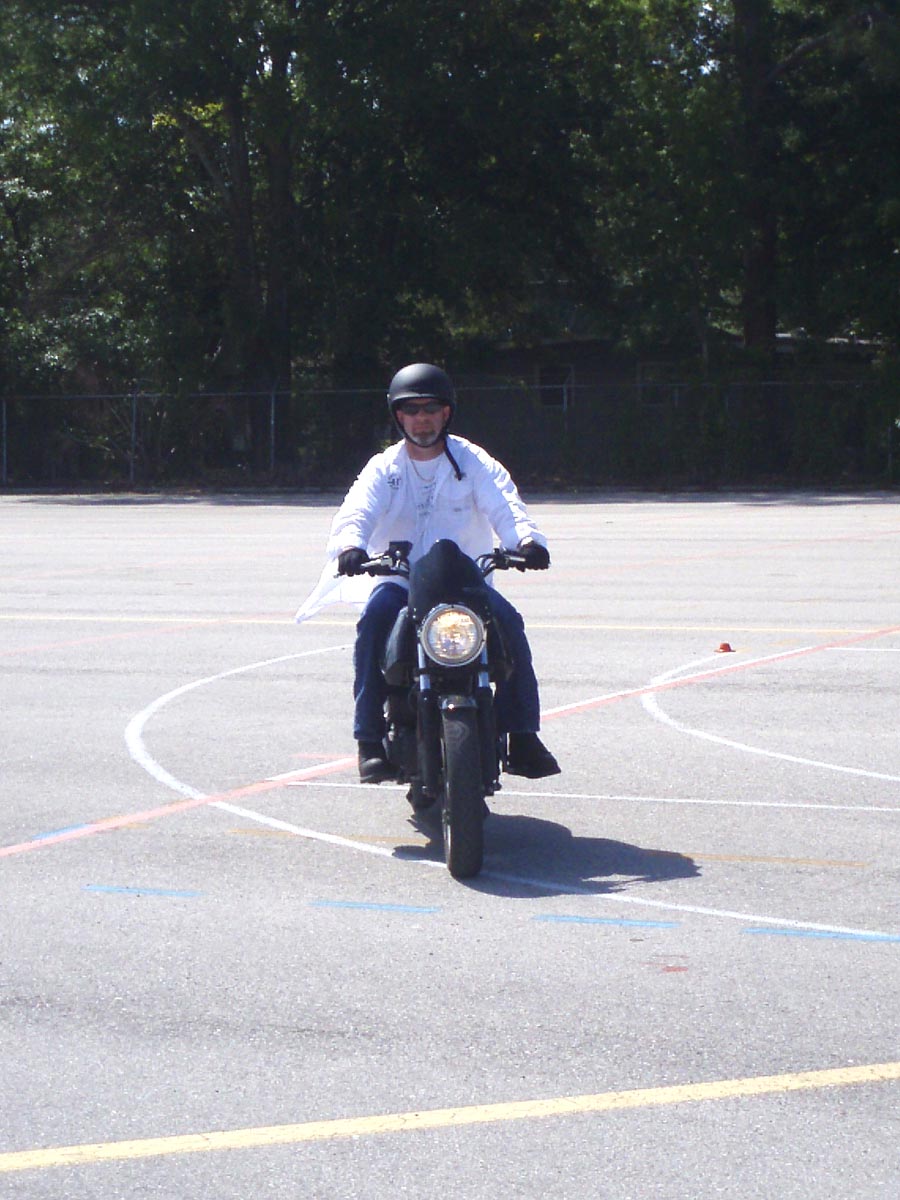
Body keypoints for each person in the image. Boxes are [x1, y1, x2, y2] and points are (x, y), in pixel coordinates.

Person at [296, 362, 560, 784]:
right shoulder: (384, 468)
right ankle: (369, 740)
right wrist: (350, 546)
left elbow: (506, 505)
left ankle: (523, 735)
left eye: (431, 408)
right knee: (373, 621)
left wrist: (526, 541)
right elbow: (357, 512)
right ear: (398, 417)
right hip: (400, 581)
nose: (422, 418)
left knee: (510, 623)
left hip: (465, 584)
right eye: (412, 410)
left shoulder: (473, 461)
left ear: (446, 413)